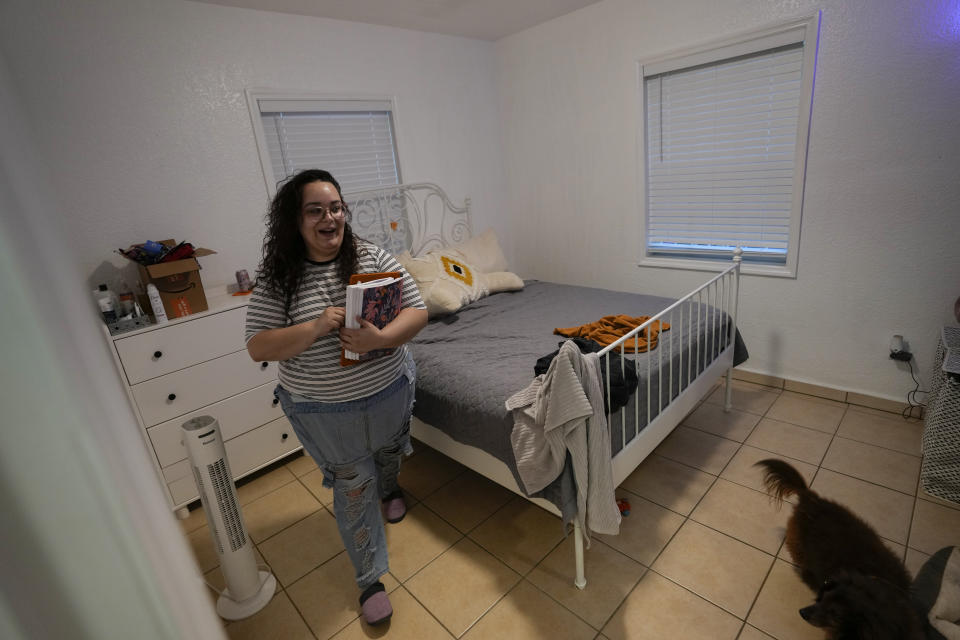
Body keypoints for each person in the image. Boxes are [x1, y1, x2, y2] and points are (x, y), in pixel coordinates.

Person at [244, 169, 427, 625]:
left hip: (388, 390)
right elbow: (258, 347)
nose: (330, 217)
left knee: (387, 452)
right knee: (352, 485)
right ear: (295, 219)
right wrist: (316, 326)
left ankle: (391, 487)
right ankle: (370, 579)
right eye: (315, 210)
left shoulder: (373, 256)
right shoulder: (279, 277)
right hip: (324, 410)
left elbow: (418, 310)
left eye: (336, 207)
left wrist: (380, 339)